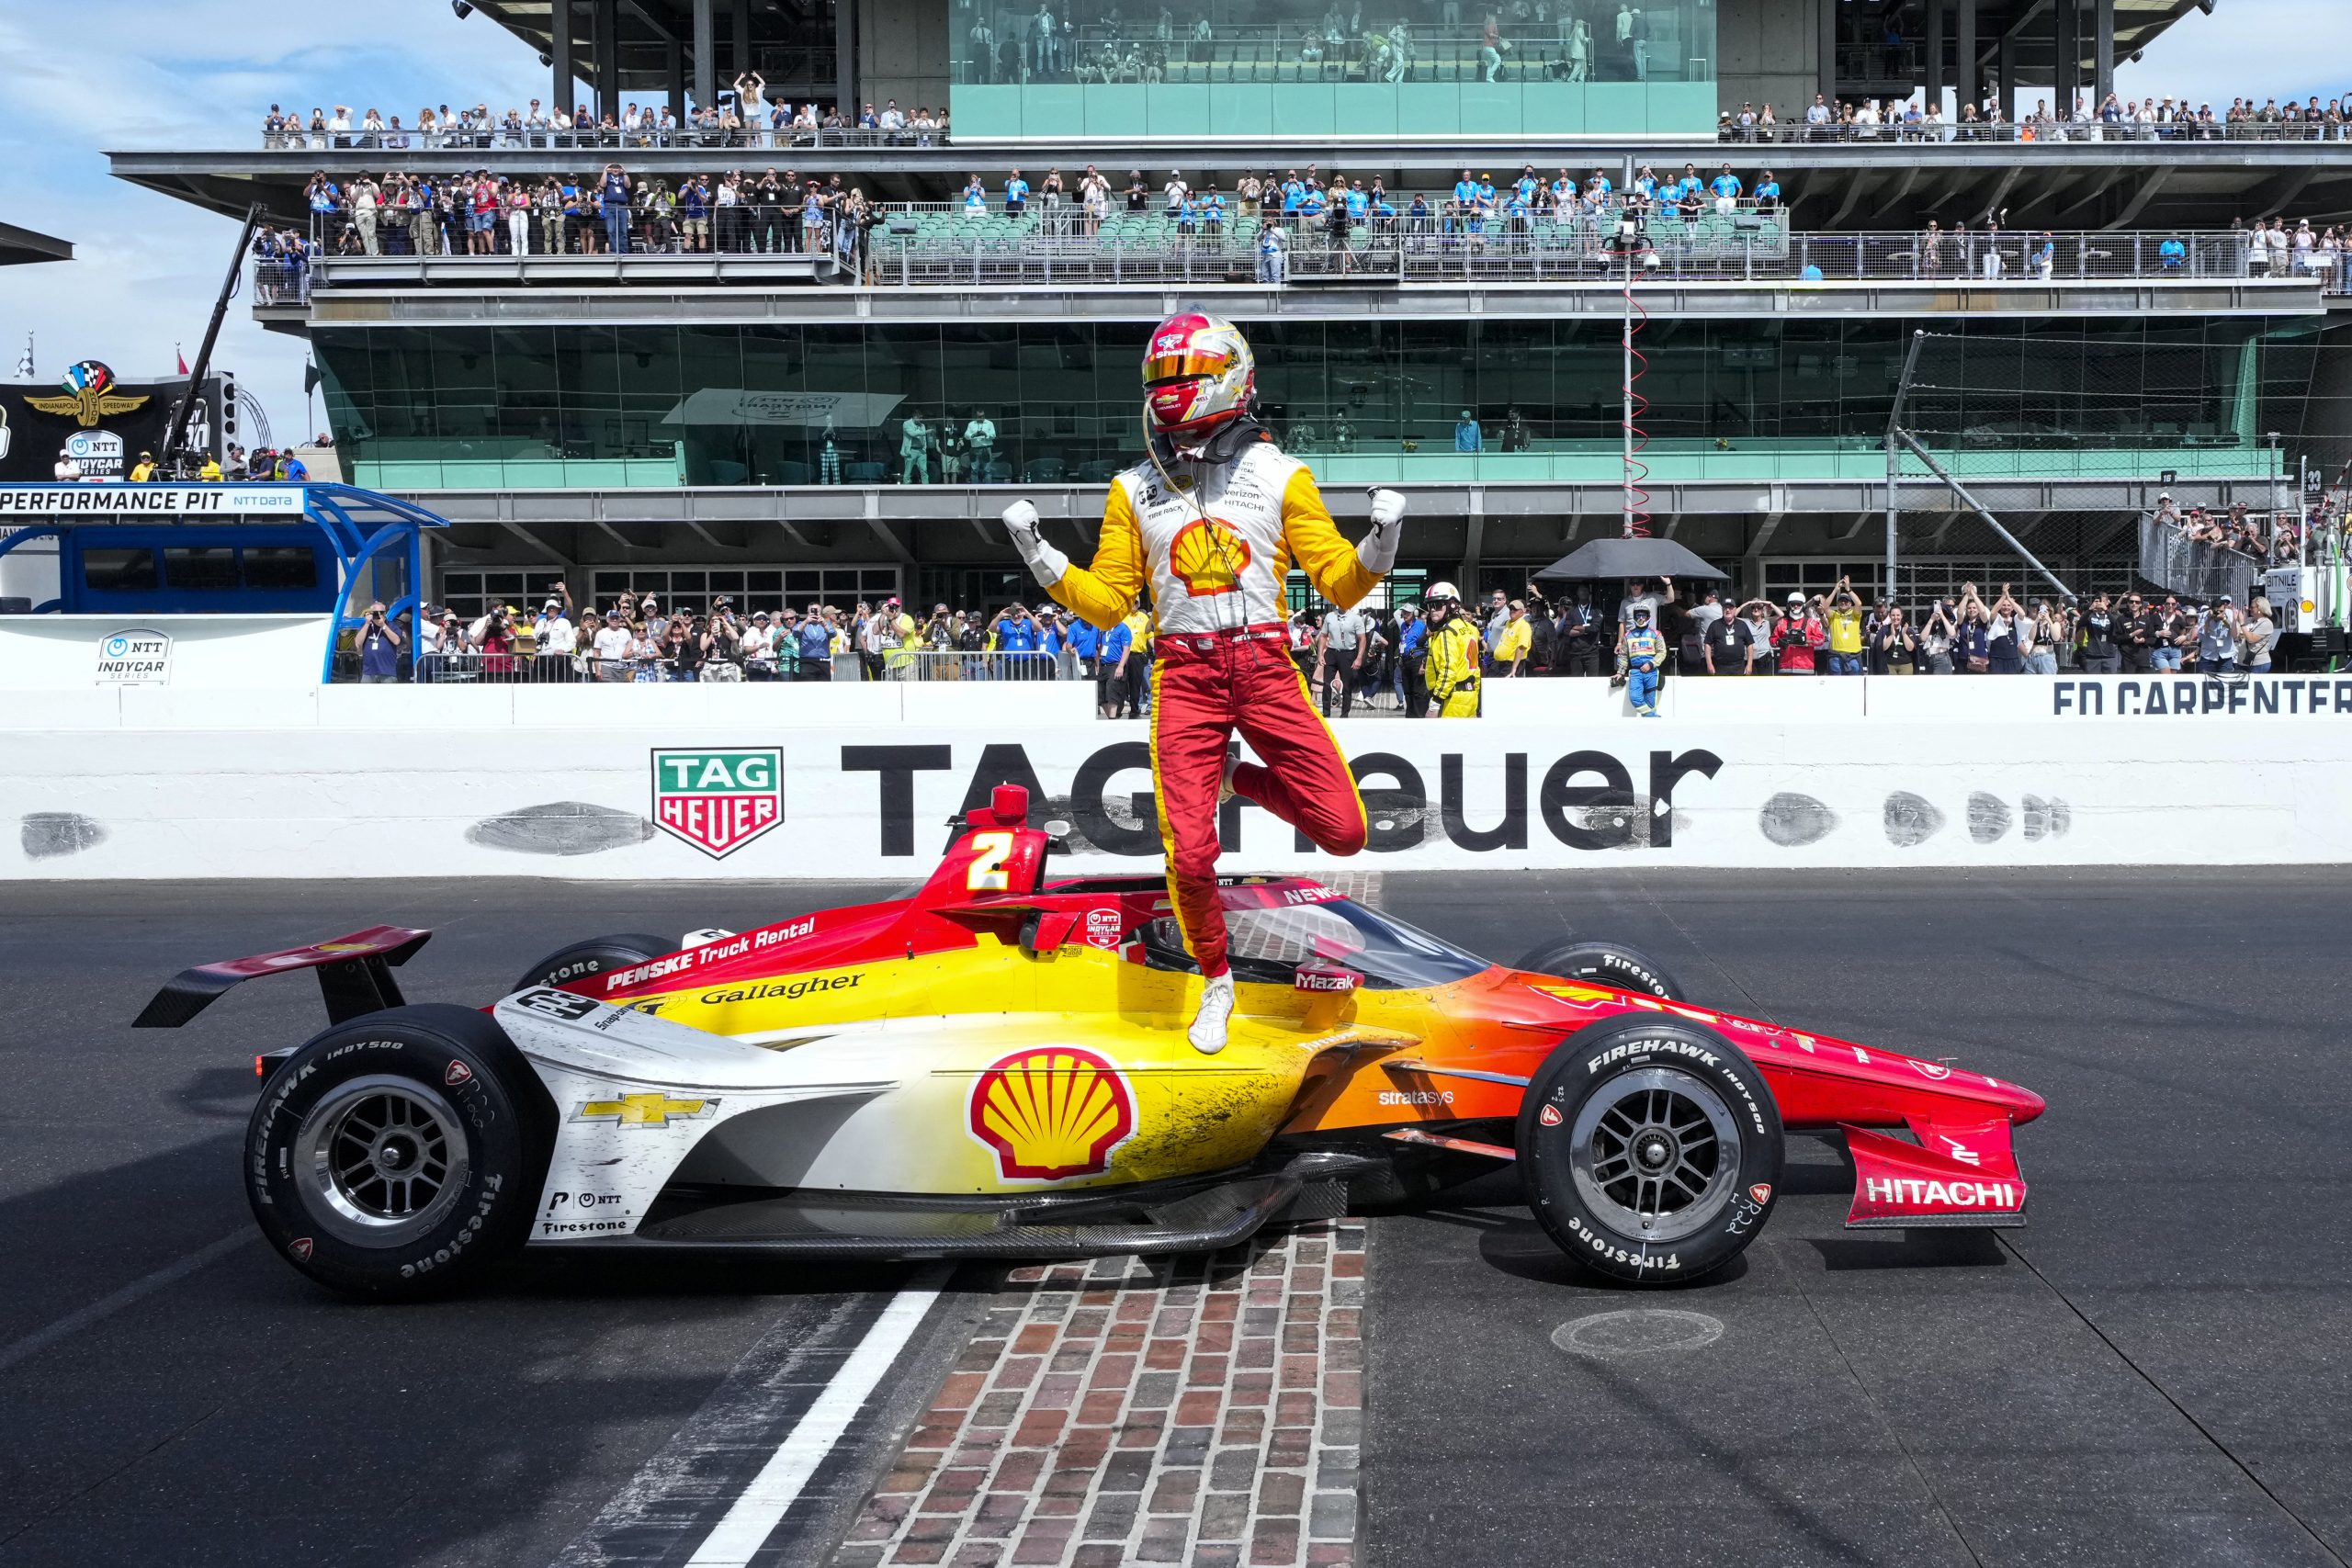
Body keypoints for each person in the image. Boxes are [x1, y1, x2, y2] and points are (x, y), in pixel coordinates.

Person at [1001, 312, 1406, 1053]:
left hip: (1265, 664)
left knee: (1345, 831)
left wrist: (1384, 540)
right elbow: (1109, 602)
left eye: (1180, 378)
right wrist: (1037, 553)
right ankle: (1215, 978)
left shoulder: (1282, 473)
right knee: (1187, 855)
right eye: (1159, 380)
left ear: (1228, 379)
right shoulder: (1132, 487)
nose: (1168, 394)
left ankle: (1234, 778)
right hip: (1184, 673)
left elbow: (1342, 586)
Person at [1422, 582, 1481, 718]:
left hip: (1451, 700)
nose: (1432, 610)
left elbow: (1448, 669)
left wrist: (1436, 701)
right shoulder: (1470, 629)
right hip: (1469, 697)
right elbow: (1476, 668)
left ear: (1452, 605)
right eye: (1430, 606)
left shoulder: (1447, 632)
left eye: (1437, 605)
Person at [1623, 604, 1664, 715]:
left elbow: (1662, 652)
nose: (1641, 618)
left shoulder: (1656, 634)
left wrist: (1651, 664)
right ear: (1635, 618)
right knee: (1635, 698)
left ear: (1648, 617)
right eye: (1638, 616)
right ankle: (1651, 716)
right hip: (1636, 672)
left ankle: (1650, 728)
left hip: (1651, 671)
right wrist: (1620, 672)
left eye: (1643, 616)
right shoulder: (1628, 635)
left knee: (1651, 703)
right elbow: (1623, 655)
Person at [356, 602, 403, 683]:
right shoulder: (366, 626)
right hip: (369, 671)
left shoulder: (391, 625)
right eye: (376, 613)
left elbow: (396, 641)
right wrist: (367, 623)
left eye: (381, 613)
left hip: (387, 671)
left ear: (385, 613)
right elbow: (358, 643)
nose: (379, 615)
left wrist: (383, 626)